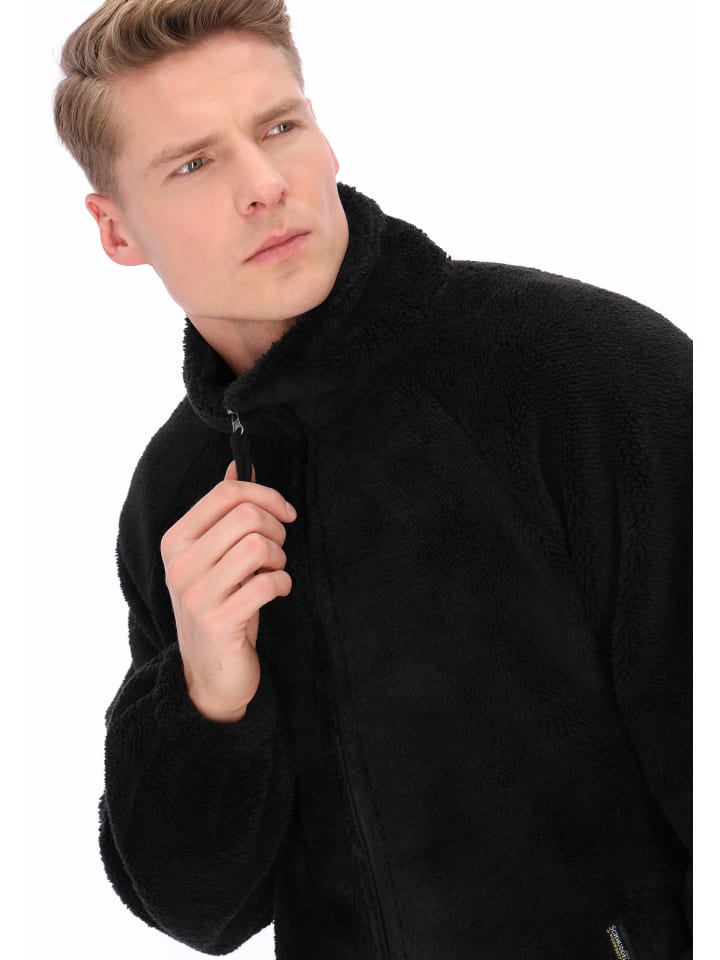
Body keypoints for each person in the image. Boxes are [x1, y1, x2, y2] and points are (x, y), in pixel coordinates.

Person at [53, 1, 692, 957]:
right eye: (193, 164)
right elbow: (203, 912)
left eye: (279, 127)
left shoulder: (589, 375)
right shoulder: (175, 492)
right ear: (116, 232)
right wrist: (206, 699)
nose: (265, 185)